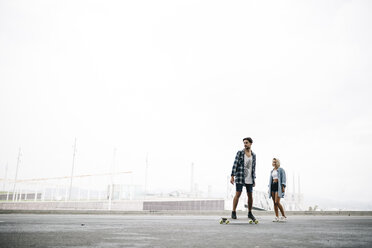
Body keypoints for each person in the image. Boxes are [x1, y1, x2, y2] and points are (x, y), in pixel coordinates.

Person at [230, 137, 256, 221]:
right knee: (238, 194)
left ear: (251, 143)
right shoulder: (240, 153)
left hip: (250, 178)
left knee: (250, 196)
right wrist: (232, 176)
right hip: (240, 176)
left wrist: (254, 179)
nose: (245, 144)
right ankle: (233, 212)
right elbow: (235, 164)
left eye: (246, 143)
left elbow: (253, 167)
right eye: (244, 143)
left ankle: (250, 212)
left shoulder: (253, 155)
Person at [269, 158, 287, 222]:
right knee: (274, 203)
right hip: (273, 186)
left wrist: (283, 186)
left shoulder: (281, 170)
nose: (274, 163)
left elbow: (284, 178)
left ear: (277, 163)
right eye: (273, 162)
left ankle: (284, 216)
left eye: (275, 162)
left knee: (277, 202)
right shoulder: (272, 171)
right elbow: (271, 180)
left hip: (278, 186)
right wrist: (269, 188)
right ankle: (277, 217)